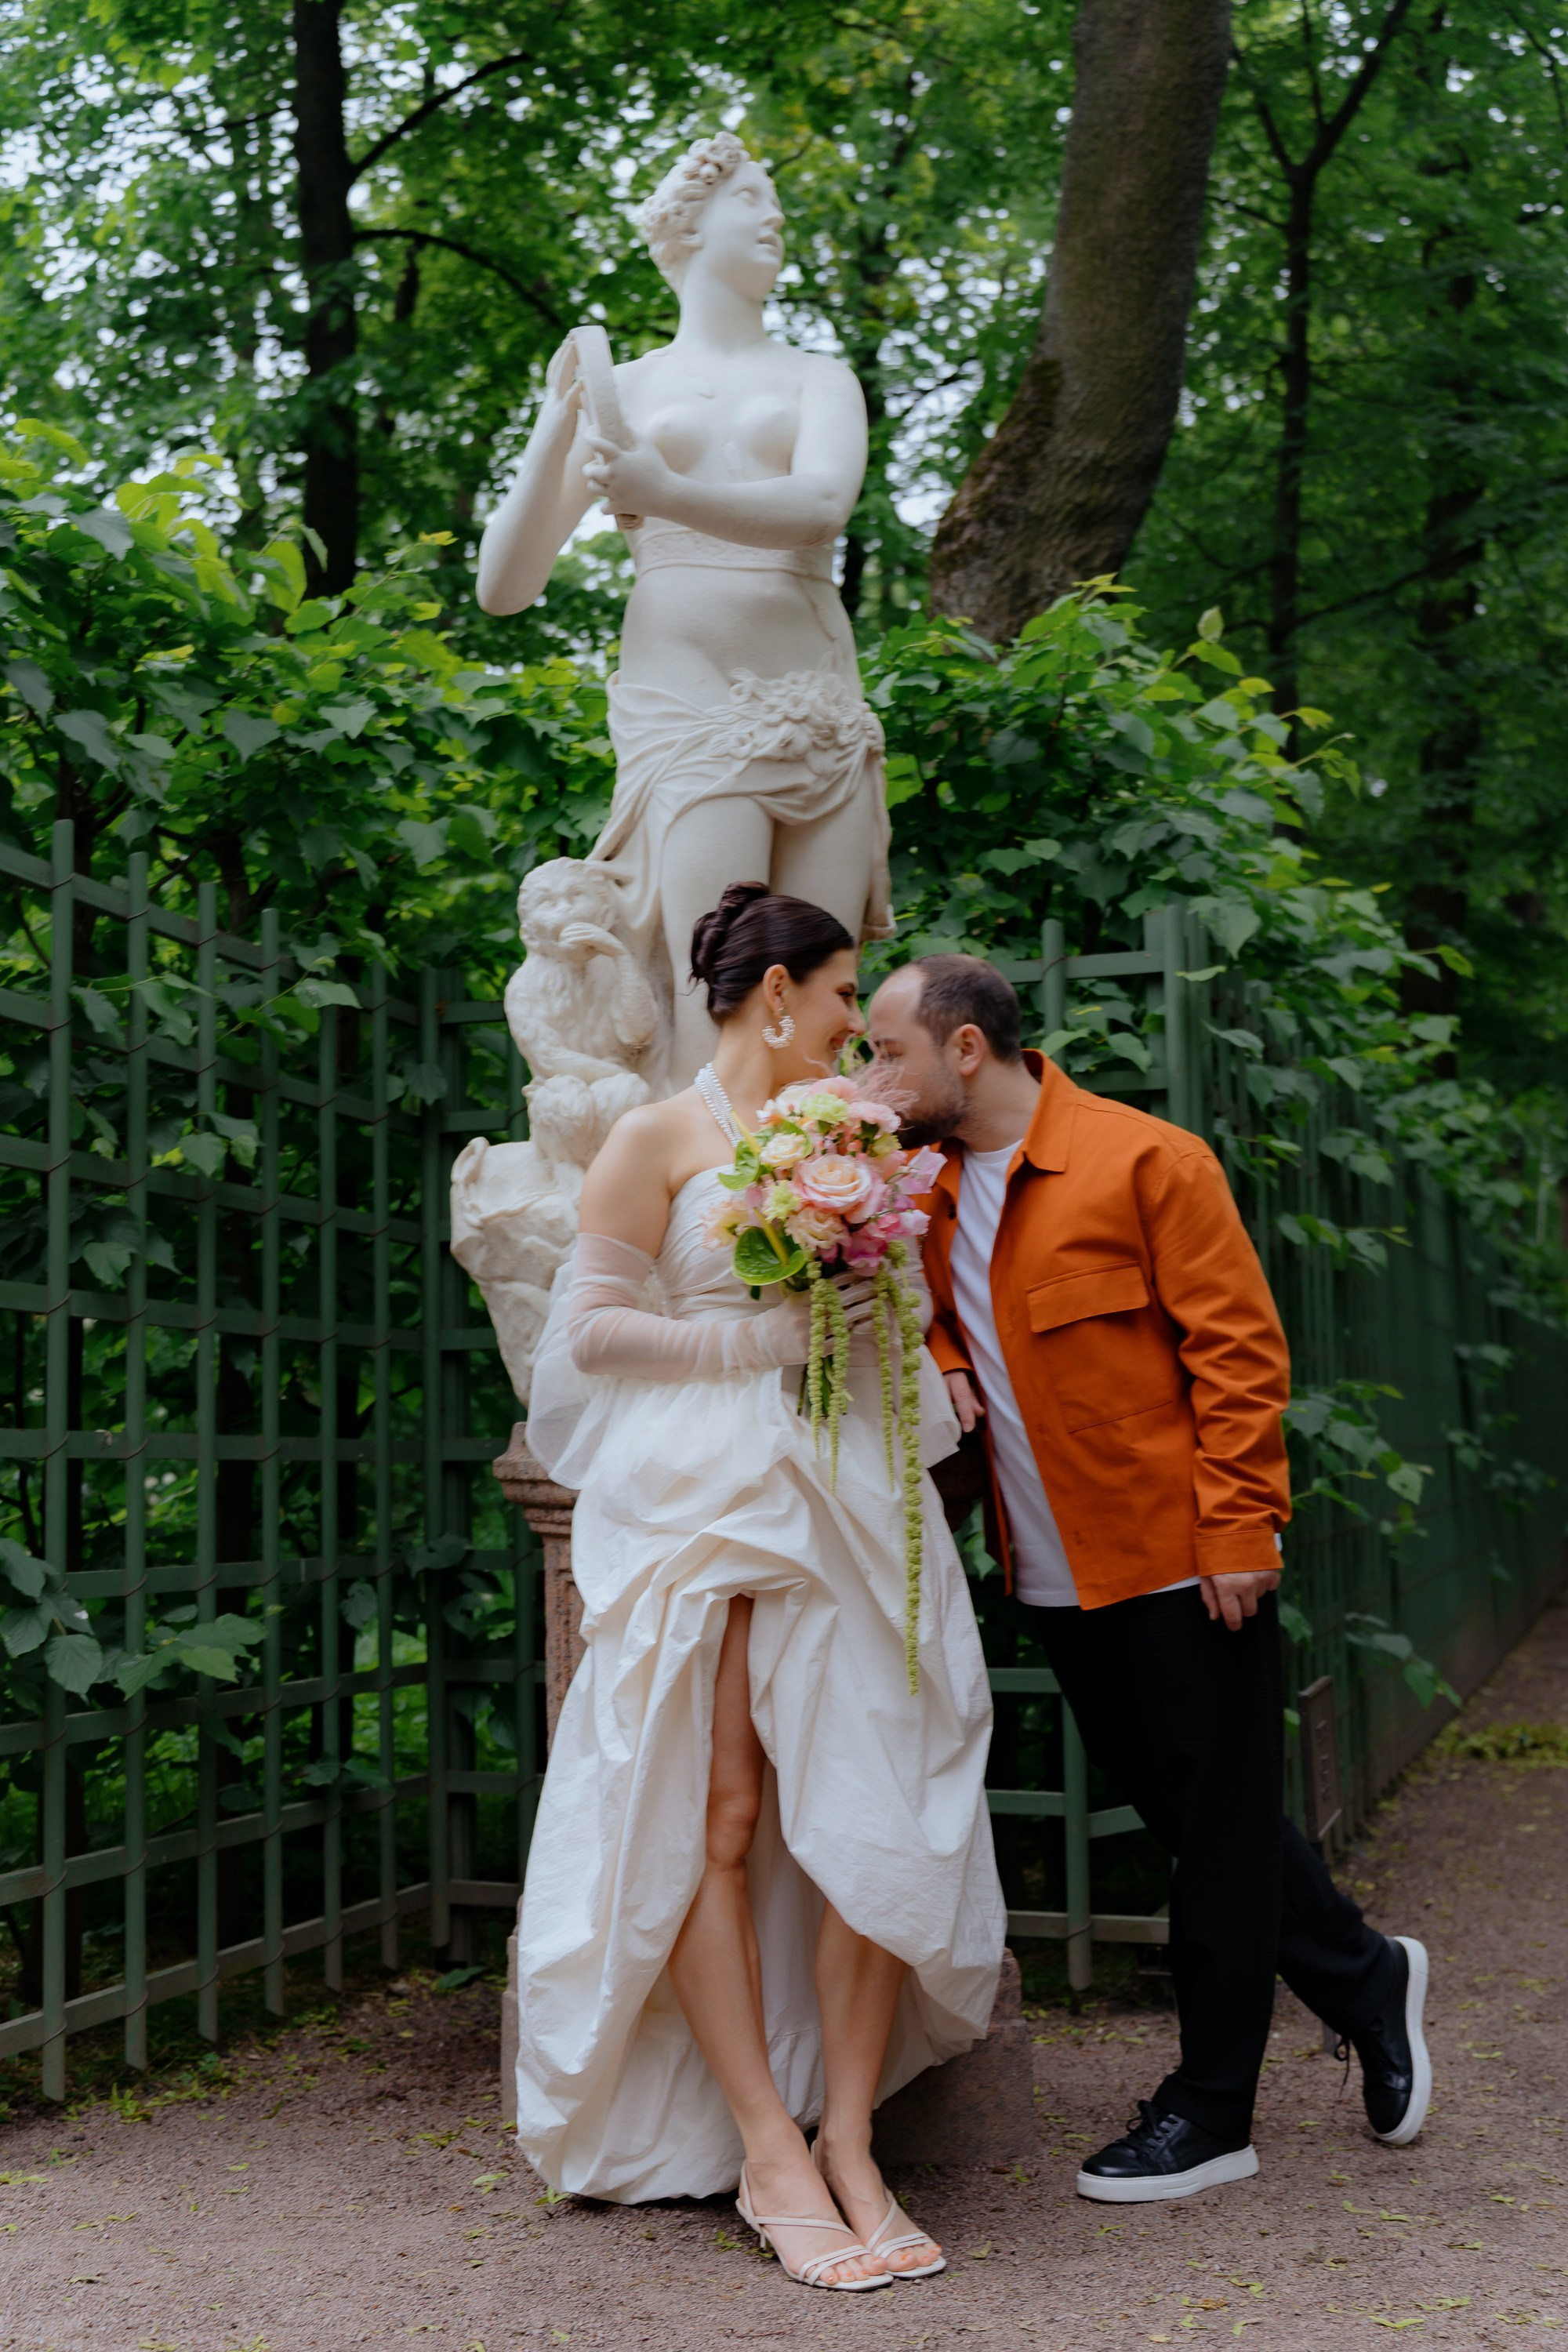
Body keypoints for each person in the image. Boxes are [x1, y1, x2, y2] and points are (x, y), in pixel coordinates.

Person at [866, 953, 1432, 2204]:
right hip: (1054, 1569)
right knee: (1196, 1817)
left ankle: (1212, 2111)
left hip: (1184, 1560)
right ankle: (1358, 1972)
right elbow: (943, 1317)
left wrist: (1239, 1530)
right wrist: (949, 1355)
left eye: (888, 1049)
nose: (874, 1076)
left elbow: (1238, 1353)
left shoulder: (1147, 1161)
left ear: (967, 1049)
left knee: (1218, 1841)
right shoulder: (931, 1194)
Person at [516, 887, 1005, 2285]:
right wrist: (763, 1340)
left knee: (873, 1793)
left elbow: (896, 1323)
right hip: (705, 1493)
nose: (865, 1024)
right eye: (849, 992)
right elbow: (593, 1336)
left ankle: (849, 2134)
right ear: (778, 991)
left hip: (845, 1483)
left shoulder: (859, 1137)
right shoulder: (654, 1137)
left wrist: (869, 1311)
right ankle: (766, 2149)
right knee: (715, 1807)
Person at [475, 132, 892, 1090]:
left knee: (825, 988)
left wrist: (657, 487)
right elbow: (504, 587)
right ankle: (710, 1214)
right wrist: (558, 419)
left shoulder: (817, 376)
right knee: (723, 983)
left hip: (819, 712)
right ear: (687, 225)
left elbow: (822, 504)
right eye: (752, 196)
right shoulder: (628, 392)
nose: (775, 215)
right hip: (692, 707)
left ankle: (823, 1214)